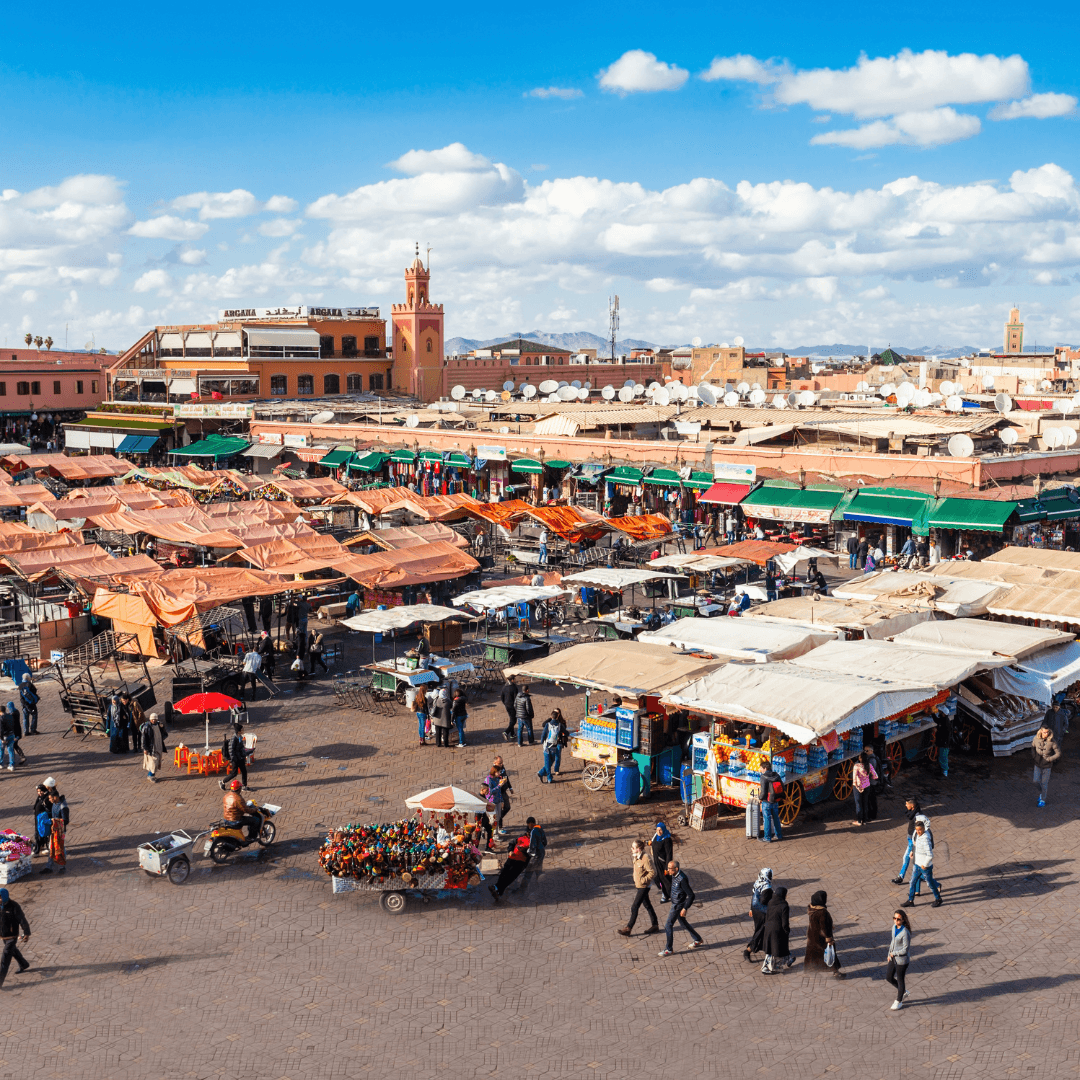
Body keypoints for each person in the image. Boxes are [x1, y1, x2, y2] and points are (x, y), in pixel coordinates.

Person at [657, 861, 703, 956]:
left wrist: (685, 908)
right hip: (675, 903)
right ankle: (697, 939)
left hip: (678, 905)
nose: (668, 870)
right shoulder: (674, 874)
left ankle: (669, 949)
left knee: (668, 925)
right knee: (683, 923)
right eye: (668, 868)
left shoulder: (682, 879)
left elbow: (691, 895)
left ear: (676, 869)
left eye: (670, 868)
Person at [618, 839, 660, 936]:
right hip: (639, 885)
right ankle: (655, 925)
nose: (631, 849)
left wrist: (643, 880)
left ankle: (628, 928)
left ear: (639, 849)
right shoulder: (636, 856)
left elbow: (653, 872)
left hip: (644, 886)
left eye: (633, 847)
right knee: (647, 905)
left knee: (635, 906)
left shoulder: (646, 858)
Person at [804, 890, 844, 978]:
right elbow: (825, 927)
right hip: (822, 938)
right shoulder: (822, 913)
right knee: (830, 954)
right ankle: (836, 972)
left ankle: (810, 970)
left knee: (813, 954)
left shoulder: (812, 908)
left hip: (813, 936)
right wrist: (829, 938)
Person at [903, 820, 943, 907]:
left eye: (920, 830)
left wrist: (924, 864)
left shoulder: (926, 839)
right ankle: (910, 900)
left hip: (925, 867)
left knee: (930, 884)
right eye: (917, 830)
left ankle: (938, 899)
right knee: (912, 882)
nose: (918, 832)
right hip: (917, 864)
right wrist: (912, 852)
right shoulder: (917, 835)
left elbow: (930, 855)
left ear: (923, 829)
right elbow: (916, 845)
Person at [488, 830, 531, 901]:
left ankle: (496, 889)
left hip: (521, 862)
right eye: (528, 833)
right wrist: (510, 851)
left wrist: (523, 850)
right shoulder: (521, 837)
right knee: (503, 873)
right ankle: (497, 891)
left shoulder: (533, 842)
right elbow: (511, 843)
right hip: (512, 858)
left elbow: (532, 853)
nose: (528, 834)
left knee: (510, 877)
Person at [891, 796, 923, 888]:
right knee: (918, 859)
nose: (905, 805)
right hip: (911, 839)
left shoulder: (917, 816)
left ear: (912, 805)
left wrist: (915, 842)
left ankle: (901, 877)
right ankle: (924, 875)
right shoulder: (913, 813)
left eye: (907, 804)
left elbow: (919, 830)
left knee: (906, 857)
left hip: (913, 841)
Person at [760, 886, 794, 973]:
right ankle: (766, 968)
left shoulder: (771, 902)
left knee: (771, 948)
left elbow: (767, 915)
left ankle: (788, 960)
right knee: (775, 949)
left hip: (768, 928)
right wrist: (786, 930)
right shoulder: (784, 905)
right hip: (778, 931)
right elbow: (785, 922)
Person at [0, 889, 30, 986]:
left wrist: (26, 933)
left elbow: (22, 919)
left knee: (5, 957)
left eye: (0, 897)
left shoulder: (14, 906)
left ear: (4, 896)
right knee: (13, 951)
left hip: (12, 936)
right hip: (3, 936)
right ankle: (24, 964)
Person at [743, 867, 773, 962]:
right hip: (763, 913)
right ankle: (748, 950)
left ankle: (765, 949)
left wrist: (751, 908)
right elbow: (764, 901)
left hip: (756, 911)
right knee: (760, 931)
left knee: (761, 930)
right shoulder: (767, 887)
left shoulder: (758, 883)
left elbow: (754, 896)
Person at [886, 909, 911, 1009]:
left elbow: (905, 949)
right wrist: (889, 954)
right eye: (894, 918)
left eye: (898, 919)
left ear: (903, 920)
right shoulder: (894, 927)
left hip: (902, 960)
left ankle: (899, 1001)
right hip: (893, 957)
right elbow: (893, 942)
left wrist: (894, 953)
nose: (896, 921)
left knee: (900, 979)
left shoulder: (905, 933)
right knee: (889, 977)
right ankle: (903, 991)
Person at [1031, 723, 1061, 807]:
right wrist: (1034, 756)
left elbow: (1058, 753)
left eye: (1047, 732)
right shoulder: (1036, 739)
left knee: (1044, 783)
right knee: (1035, 781)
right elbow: (1032, 748)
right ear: (1041, 731)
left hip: (1047, 766)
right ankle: (1042, 793)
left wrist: (1049, 759)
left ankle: (1043, 800)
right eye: (1044, 732)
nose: (1046, 734)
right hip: (1037, 764)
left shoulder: (1052, 741)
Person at [515, 816, 546, 895]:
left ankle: (521, 891)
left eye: (529, 824)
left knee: (528, 872)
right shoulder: (540, 828)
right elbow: (545, 842)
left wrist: (526, 851)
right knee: (538, 871)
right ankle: (542, 889)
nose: (529, 826)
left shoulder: (533, 832)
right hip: (541, 853)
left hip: (536, 855)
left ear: (531, 823)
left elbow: (532, 846)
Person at [39, 792, 67, 874]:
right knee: (51, 847)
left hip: (60, 831)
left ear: (55, 797)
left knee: (60, 848)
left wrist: (53, 821)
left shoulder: (63, 807)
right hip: (54, 830)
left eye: (50, 798)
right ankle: (49, 866)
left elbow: (65, 820)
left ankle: (62, 867)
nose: (49, 800)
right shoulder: (55, 804)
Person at [219, 723, 251, 791]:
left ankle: (244, 786)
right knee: (234, 773)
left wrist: (245, 752)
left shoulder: (240, 737)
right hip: (235, 759)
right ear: (239, 731)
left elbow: (241, 747)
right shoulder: (234, 739)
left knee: (244, 771)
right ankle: (222, 782)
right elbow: (231, 750)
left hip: (240, 757)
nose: (243, 730)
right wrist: (234, 759)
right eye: (242, 729)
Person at [758, 761, 784, 843]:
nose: (760, 769)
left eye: (761, 768)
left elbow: (763, 791)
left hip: (767, 801)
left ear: (765, 768)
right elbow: (782, 786)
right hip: (775, 800)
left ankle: (767, 837)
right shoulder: (776, 775)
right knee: (776, 817)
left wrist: (760, 798)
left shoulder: (763, 777)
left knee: (767, 819)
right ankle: (779, 835)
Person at [140, 711, 168, 783]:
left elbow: (165, 734)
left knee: (157, 761)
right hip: (151, 748)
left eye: (155, 719)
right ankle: (150, 776)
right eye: (152, 719)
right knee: (153, 762)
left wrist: (162, 727)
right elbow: (143, 739)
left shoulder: (158, 725)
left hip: (158, 746)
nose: (153, 721)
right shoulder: (147, 727)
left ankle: (152, 775)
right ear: (150, 719)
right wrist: (145, 748)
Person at [851, 752, 877, 826]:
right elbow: (875, 776)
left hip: (858, 787)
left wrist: (857, 787)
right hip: (867, 786)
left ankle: (859, 821)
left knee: (858, 804)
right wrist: (869, 778)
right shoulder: (869, 765)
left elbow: (854, 779)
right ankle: (864, 821)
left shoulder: (856, 766)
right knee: (865, 803)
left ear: (860, 759)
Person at [650, 822, 673, 904]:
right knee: (657, 878)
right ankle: (665, 892)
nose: (659, 832)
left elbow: (669, 854)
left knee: (665, 880)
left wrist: (667, 868)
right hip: (656, 862)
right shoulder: (656, 836)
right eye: (657, 830)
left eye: (660, 830)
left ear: (663, 830)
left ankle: (668, 895)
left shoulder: (667, 840)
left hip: (663, 863)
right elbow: (653, 843)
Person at [491, 757, 513, 835]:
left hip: (503, 791)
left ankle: (496, 820)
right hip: (498, 793)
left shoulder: (502, 768)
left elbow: (506, 777)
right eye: (500, 763)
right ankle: (499, 827)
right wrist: (499, 784)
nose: (501, 764)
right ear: (494, 763)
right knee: (499, 810)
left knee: (507, 807)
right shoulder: (493, 771)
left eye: (502, 762)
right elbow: (492, 784)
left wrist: (510, 787)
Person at [32, 784, 51, 857]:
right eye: (38, 791)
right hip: (38, 819)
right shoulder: (40, 797)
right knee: (38, 833)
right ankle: (40, 847)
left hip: (42, 820)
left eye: (40, 791)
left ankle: (37, 850)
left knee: (40, 833)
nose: (39, 793)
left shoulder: (46, 798)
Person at [500, 675, 519, 742]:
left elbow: (502, 697)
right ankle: (506, 732)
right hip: (512, 706)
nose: (515, 680)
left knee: (511, 719)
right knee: (513, 721)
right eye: (515, 679)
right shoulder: (514, 687)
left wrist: (505, 703)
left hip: (507, 706)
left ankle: (512, 734)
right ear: (512, 680)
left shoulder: (504, 687)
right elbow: (516, 698)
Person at [935, 706, 952, 778]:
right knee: (941, 756)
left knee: (943, 757)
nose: (939, 712)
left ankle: (944, 773)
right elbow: (937, 720)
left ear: (943, 714)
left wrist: (937, 731)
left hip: (944, 743)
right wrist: (932, 714)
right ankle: (941, 770)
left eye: (940, 711)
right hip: (942, 742)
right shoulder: (944, 719)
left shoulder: (946, 723)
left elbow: (943, 733)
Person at [1, 703, 19, 771]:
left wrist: (1, 738)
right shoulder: (10, 716)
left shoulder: (1, 718)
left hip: (4, 736)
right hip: (11, 735)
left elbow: (1, 730)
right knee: (11, 751)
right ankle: (11, 765)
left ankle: (1, 764)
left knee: (1, 750)